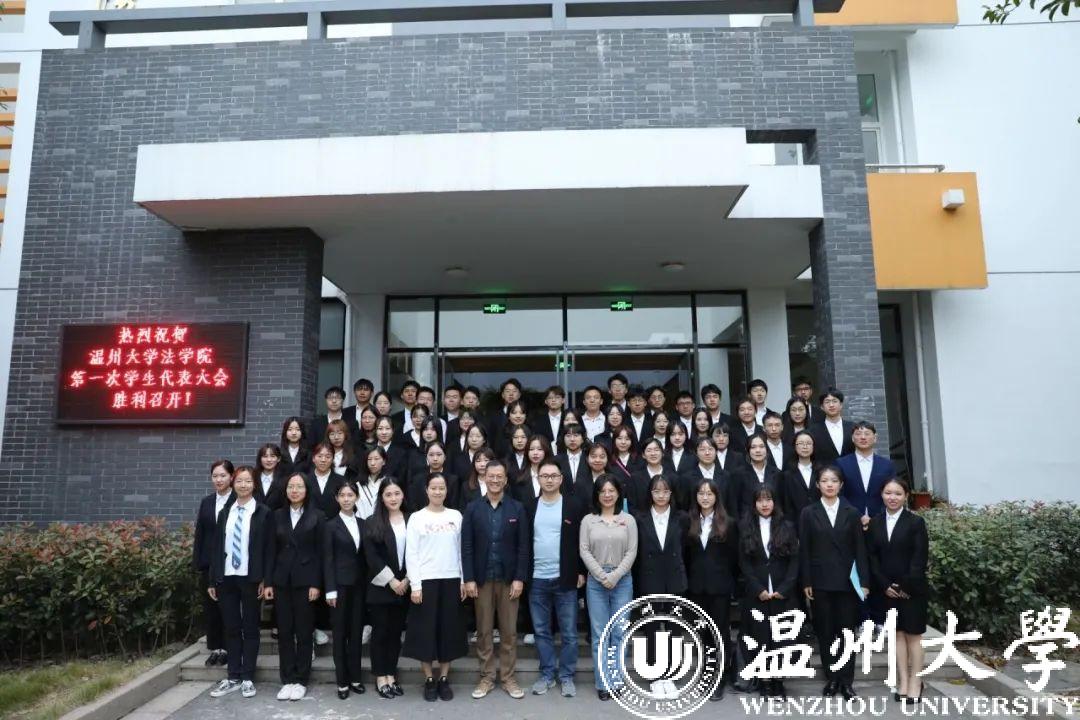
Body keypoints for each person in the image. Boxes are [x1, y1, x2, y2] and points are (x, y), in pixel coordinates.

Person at [461, 460, 531, 700]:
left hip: (508, 579)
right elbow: (466, 546)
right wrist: (469, 578)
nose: (495, 480)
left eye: (499, 476)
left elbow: (523, 547)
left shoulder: (517, 508)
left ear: (505, 480)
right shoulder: (472, 508)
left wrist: (520, 578)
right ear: (485, 478)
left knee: (509, 632)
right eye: (491, 476)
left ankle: (508, 677)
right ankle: (487, 677)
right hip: (481, 580)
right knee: (483, 631)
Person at [799, 466, 870, 700]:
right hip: (819, 581)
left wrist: (864, 581)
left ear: (841, 485)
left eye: (834, 480)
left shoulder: (852, 512)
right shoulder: (808, 512)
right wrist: (806, 580)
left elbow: (860, 549)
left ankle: (846, 682)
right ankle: (832, 678)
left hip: (847, 582)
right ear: (817, 485)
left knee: (847, 632)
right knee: (826, 631)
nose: (829, 484)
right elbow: (804, 549)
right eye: (824, 480)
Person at [208, 466, 274, 699]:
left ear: (254, 484)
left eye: (248, 481)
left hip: (251, 577)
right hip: (226, 577)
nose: (243, 485)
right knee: (231, 627)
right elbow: (216, 547)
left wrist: (266, 579)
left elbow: (269, 549)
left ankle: (247, 677)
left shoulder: (263, 512)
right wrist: (212, 579)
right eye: (239, 481)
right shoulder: (226, 512)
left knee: (251, 628)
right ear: (233, 484)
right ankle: (233, 675)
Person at [403, 473, 468, 702]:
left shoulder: (456, 516)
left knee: (448, 631)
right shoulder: (417, 518)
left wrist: (463, 580)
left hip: (451, 579)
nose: (438, 492)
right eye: (434, 488)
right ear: (426, 490)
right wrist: (415, 585)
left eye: (441, 488)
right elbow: (411, 553)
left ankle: (444, 678)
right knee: (425, 632)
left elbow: (462, 551)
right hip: (426, 581)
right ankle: (429, 679)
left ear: (447, 491)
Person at [867, 478, 929, 705]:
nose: (892, 497)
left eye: (897, 493)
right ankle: (903, 680)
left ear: (906, 496)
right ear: (881, 495)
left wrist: (903, 586)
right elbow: (872, 558)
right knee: (896, 635)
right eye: (888, 493)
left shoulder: (916, 522)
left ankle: (916, 681)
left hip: (911, 590)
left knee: (913, 635)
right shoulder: (875, 523)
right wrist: (885, 585)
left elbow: (919, 558)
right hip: (886, 591)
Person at [527, 460, 586, 698]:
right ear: (538, 479)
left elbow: (581, 542)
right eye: (544, 476)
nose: (549, 480)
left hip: (565, 578)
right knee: (542, 631)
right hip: (537, 579)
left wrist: (580, 571)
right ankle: (547, 674)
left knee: (569, 633)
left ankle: (567, 676)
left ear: (561, 479)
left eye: (553, 476)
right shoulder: (530, 506)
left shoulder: (573, 505)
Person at [265, 473, 324, 702]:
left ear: (307, 490)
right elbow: (270, 550)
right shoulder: (276, 515)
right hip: (281, 581)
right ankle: (287, 679)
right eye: (291, 486)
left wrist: (316, 583)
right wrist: (268, 582)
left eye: (299, 486)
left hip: (306, 582)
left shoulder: (318, 516)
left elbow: (320, 553)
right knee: (285, 632)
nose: (295, 490)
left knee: (304, 632)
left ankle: (301, 680)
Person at [579, 475, 637, 701]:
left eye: (611, 490)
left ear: (618, 493)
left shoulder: (628, 520)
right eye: (602, 491)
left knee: (619, 632)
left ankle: (617, 680)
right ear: (597, 494)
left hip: (623, 580)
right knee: (600, 634)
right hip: (596, 582)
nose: (607, 494)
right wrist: (602, 576)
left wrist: (615, 575)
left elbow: (632, 551)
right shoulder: (588, 521)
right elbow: (584, 550)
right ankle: (603, 683)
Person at [738, 486, 799, 699]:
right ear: (754, 504)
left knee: (781, 640)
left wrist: (785, 588)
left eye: (768, 499)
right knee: (761, 638)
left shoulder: (787, 526)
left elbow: (795, 561)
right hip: (758, 593)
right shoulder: (745, 527)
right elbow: (743, 563)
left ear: (775, 502)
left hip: (782, 593)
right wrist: (758, 589)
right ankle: (765, 682)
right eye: (760, 500)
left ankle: (778, 682)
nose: (765, 504)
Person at [684, 478, 738, 701]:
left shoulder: (729, 523)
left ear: (717, 496)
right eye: (701, 493)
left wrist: (731, 584)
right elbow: (686, 556)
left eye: (709, 493)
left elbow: (734, 558)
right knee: (702, 633)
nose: (705, 497)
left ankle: (720, 677)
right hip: (696, 587)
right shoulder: (687, 521)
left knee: (720, 633)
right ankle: (706, 674)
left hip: (720, 587)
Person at [364, 477, 412, 699]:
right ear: (382, 498)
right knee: (380, 633)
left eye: (397, 493)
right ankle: (380, 677)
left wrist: (407, 580)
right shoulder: (372, 522)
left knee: (395, 634)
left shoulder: (412, 519)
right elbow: (371, 557)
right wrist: (391, 580)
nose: (393, 498)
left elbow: (417, 551)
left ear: (403, 495)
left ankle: (391, 675)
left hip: (405, 586)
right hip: (381, 587)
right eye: (388, 494)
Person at [323, 481, 367, 699]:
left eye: (350, 495)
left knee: (356, 633)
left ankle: (355, 677)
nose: (347, 499)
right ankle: (342, 681)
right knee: (340, 634)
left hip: (359, 586)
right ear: (337, 499)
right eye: (342, 495)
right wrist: (330, 589)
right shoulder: (330, 525)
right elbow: (327, 559)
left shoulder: (363, 523)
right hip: (339, 587)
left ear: (356, 497)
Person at [193, 460, 233, 668]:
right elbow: (200, 533)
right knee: (211, 607)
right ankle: (215, 648)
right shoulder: (207, 502)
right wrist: (198, 562)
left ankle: (227, 648)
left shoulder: (237, 500)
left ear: (231, 477)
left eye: (223, 475)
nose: (219, 480)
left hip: (231, 562)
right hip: (209, 562)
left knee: (228, 607)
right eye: (215, 476)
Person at [633, 474, 687, 598]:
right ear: (650, 493)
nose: (661, 496)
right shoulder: (640, 519)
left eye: (666, 491)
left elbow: (685, 549)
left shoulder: (682, 518)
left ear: (671, 493)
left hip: (675, 580)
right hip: (649, 580)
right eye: (656, 492)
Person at [837, 421, 897, 527]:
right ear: (852, 438)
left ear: (875, 438)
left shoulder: (887, 465)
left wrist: (878, 517)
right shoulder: (841, 463)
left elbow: (892, 492)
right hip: (849, 521)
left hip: (881, 521)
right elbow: (838, 494)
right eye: (858, 434)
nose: (863, 437)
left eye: (867, 433)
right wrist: (858, 516)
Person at [680, 436, 735, 516]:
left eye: (710, 449)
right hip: (695, 521)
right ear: (696, 453)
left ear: (716, 452)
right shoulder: (686, 478)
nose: (707, 453)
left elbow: (731, 506)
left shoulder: (726, 476)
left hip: (721, 520)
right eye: (702, 449)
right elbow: (684, 507)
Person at [733, 435, 782, 520]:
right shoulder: (738, 474)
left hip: (774, 521)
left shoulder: (777, 473)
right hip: (746, 521)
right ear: (748, 450)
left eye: (761, 446)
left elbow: (780, 501)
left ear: (767, 449)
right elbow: (734, 504)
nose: (758, 450)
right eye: (753, 447)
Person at [781, 430, 820, 528]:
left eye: (808, 443)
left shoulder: (821, 471)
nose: (805, 447)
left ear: (813, 446)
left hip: (820, 522)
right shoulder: (787, 474)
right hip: (796, 523)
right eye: (801, 443)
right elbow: (786, 504)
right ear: (795, 446)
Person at [809, 388, 855, 465]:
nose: (831, 405)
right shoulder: (813, 431)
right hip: (824, 471)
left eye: (834, 401)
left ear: (841, 405)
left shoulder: (853, 428)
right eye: (827, 402)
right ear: (822, 407)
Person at [514, 434, 555, 506]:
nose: (535, 453)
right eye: (531, 449)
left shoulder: (554, 476)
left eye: (539, 449)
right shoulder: (519, 477)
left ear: (546, 451)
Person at [608, 426, 643, 507]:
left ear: (632, 441)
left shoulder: (640, 460)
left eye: (627, 439)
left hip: (636, 502)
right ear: (614, 440)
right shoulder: (608, 461)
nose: (623, 442)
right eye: (619, 438)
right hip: (615, 503)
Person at [308, 443, 345, 521]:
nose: (323, 460)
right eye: (320, 456)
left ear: (333, 459)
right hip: (310, 524)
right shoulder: (305, 480)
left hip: (334, 525)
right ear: (313, 458)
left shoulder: (341, 481)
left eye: (328, 457)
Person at [555, 424, 590, 491]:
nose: (572, 439)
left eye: (576, 435)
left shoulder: (589, 458)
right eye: (568, 436)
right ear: (563, 439)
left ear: (583, 439)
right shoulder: (556, 460)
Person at [254, 444, 287, 511]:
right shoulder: (253, 477)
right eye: (265, 456)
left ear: (278, 459)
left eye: (272, 456)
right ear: (260, 459)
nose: (269, 460)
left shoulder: (285, 480)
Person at [357, 446, 385, 520]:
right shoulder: (358, 484)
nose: (372, 463)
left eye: (376, 459)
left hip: (383, 523)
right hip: (361, 523)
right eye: (369, 459)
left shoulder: (388, 483)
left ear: (384, 461)